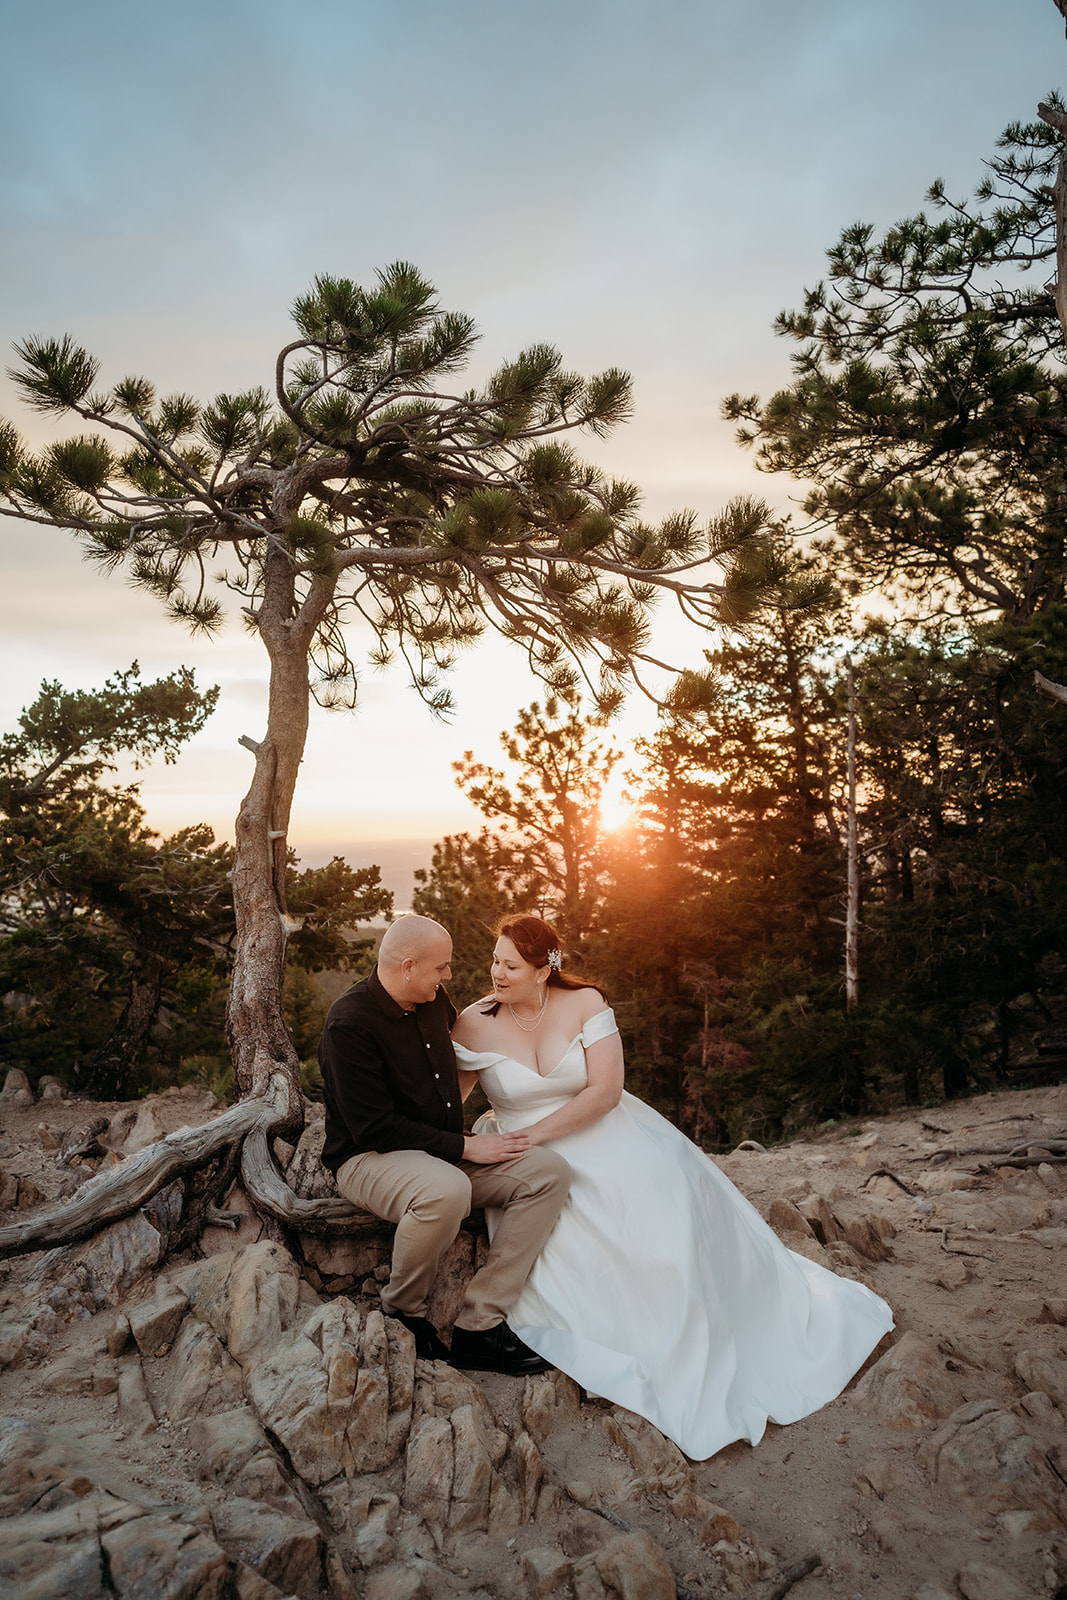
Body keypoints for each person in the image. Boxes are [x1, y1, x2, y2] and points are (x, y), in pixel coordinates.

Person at [451, 914, 895, 1461]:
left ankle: (714, 1332)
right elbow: (448, 1103)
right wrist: (477, 1146)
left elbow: (606, 1091)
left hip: (599, 1131)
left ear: (545, 970)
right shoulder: (473, 1022)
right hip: (525, 1160)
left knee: (663, 1214)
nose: (495, 973)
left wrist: (533, 1135)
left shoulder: (586, 1004)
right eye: (494, 960)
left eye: (510, 966)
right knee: (577, 1231)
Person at [318, 914, 571, 1374]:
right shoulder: (349, 1024)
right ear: (408, 967)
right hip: (369, 1157)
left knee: (547, 1173)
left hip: (441, 1150)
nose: (449, 976)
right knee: (445, 1190)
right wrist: (465, 1147)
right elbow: (374, 1128)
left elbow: (464, 1067)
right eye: (442, 968)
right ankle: (403, 1315)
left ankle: (481, 1327)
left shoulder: (433, 1001)